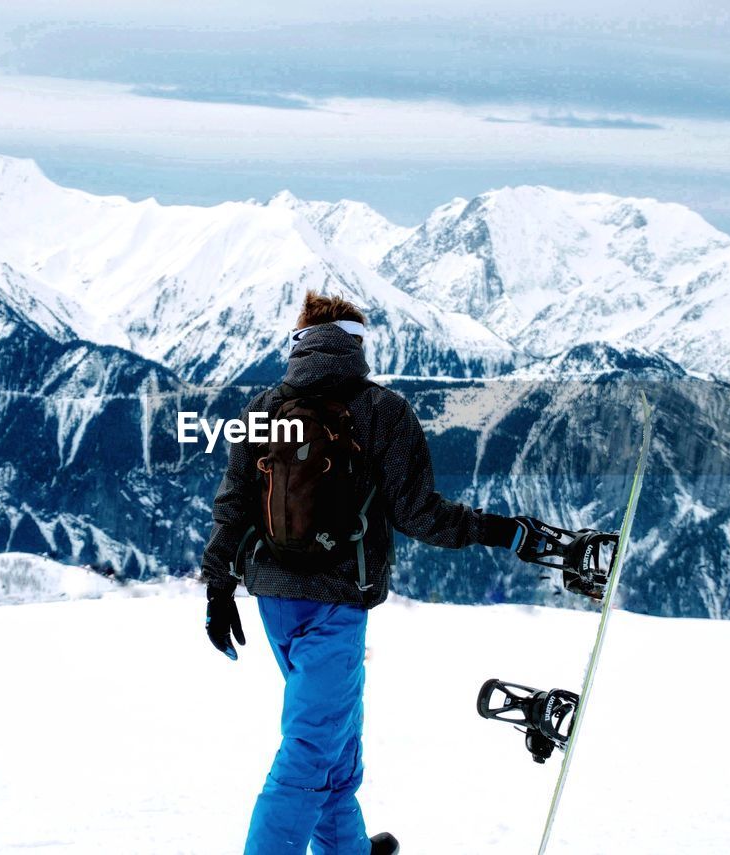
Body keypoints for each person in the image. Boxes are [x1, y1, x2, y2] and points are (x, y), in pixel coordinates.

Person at [201, 291, 578, 855]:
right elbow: (419, 514)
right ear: (356, 344)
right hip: (338, 602)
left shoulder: (263, 409)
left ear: (299, 344)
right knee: (309, 748)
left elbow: (235, 504)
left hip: (274, 599)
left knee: (333, 740)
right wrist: (506, 532)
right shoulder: (380, 411)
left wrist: (218, 588)